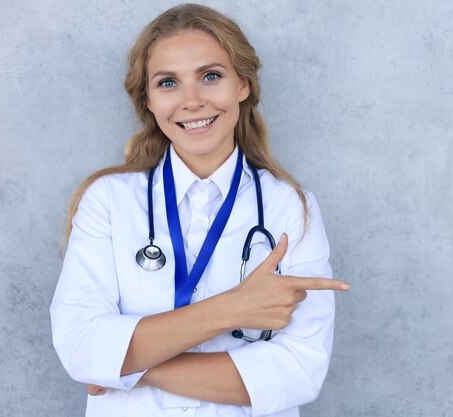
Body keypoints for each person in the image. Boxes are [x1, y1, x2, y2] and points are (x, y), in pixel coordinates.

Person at [50, 4, 349, 417]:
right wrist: (235, 308)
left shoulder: (291, 207)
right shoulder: (107, 201)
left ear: (242, 85)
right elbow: (80, 345)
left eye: (211, 76)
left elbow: (299, 371)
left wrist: (127, 365)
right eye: (168, 82)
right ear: (149, 100)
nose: (191, 101)